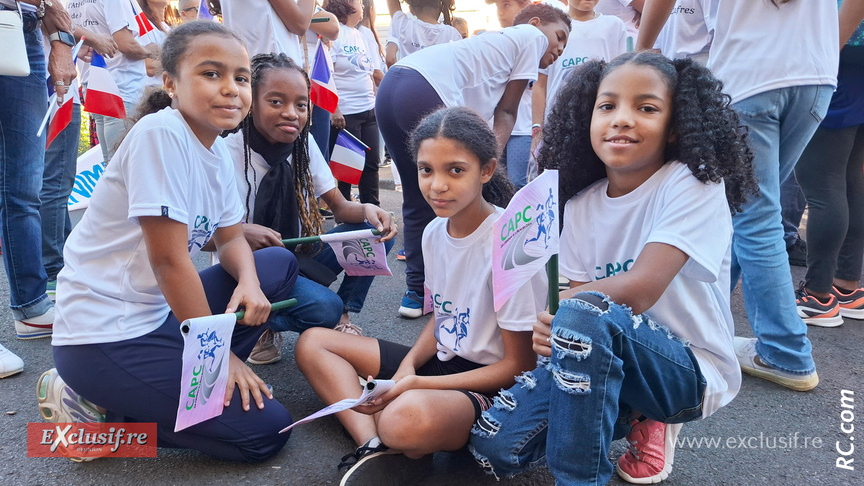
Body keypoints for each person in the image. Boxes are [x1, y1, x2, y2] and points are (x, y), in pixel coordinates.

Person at [469, 51, 757, 485]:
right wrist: (553, 325)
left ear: (675, 126)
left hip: (688, 370)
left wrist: (560, 312)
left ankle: (583, 476)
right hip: (608, 355)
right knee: (493, 447)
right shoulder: (582, 206)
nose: (621, 119)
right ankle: (632, 413)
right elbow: (581, 299)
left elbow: (639, 288)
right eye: (607, 106)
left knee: (583, 314)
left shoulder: (691, 183)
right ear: (587, 120)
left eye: (646, 107)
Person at [37, 21, 300, 462]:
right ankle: (100, 420)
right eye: (211, 74)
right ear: (171, 84)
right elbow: (169, 262)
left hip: (158, 317)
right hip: (104, 336)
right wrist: (218, 358)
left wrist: (250, 283)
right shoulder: (162, 135)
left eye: (240, 78)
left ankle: (156, 385)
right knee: (266, 433)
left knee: (275, 266)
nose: (231, 89)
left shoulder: (214, 152)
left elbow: (232, 238)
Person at [295, 106, 545, 485]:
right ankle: (375, 447)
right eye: (426, 169)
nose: (437, 185)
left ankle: (403, 434)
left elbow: (519, 367)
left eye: (455, 170)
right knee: (313, 344)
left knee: (405, 417)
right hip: (441, 365)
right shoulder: (433, 232)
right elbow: (445, 314)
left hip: (490, 387)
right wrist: (409, 365)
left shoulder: (510, 243)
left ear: (487, 170)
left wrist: (417, 384)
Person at [638, 0, 844, 392]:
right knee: (738, 211)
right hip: (815, 76)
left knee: (753, 216)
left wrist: (641, 47)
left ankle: (787, 353)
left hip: (751, 74)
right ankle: (698, 322)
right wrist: (821, 48)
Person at [376, 3, 569, 318]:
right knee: (466, 195)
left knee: (417, 195)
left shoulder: (493, 48)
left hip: (392, 88)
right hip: (426, 88)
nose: (560, 48)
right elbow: (507, 111)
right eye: (559, 36)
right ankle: (469, 286)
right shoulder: (530, 38)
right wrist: (488, 163)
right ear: (536, 23)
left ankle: (416, 294)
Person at [221, 52, 396, 364]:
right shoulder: (224, 151)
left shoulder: (303, 145)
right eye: (276, 102)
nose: (291, 113)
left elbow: (340, 208)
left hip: (298, 255)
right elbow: (194, 232)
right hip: (245, 267)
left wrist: (369, 209)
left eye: (301, 105)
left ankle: (342, 318)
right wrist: (240, 231)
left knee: (375, 233)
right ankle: (260, 322)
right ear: (250, 102)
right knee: (321, 307)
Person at [1, 0, 76, 341]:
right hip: (19, 26)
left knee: (24, 188)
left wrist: (60, 43)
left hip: (22, 29)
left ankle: (31, 306)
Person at [793, 4, 864, 326]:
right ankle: (847, 285)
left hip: (839, 51)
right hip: (851, 55)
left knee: (823, 183)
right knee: (849, 179)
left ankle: (818, 296)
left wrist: (820, 56)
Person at [532, 0, 627, 167]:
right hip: (558, 124)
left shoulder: (614, 25)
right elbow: (540, 84)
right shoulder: (550, 28)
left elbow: (621, 77)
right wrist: (537, 129)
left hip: (600, 120)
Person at [326, 0, 382, 206]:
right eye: (359, 2)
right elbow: (326, 72)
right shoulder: (335, 32)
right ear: (346, 4)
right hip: (345, 114)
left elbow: (370, 72)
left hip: (368, 110)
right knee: (347, 170)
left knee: (372, 165)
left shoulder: (361, 35)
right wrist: (334, 108)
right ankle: (346, 216)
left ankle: (373, 212)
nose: (363, 6)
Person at [384, 0, 462, 67]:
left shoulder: (404, 26)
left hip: (410, 83)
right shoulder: (453, 34)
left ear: (411, 7)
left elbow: (392, 4)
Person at [140, 0, 174, 86]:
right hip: (152, 91)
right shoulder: (143, 24)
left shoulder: (165, 26)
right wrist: (181, 63)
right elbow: (150, 67)